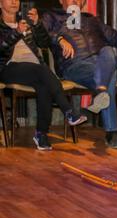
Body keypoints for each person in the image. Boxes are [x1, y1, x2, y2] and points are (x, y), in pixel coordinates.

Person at [41, 0, 117, 149]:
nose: (75, 0)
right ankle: (112, 132)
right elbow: (43, 34)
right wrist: (59, 39)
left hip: (99, 63)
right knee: (109, 74)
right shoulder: (52, 17)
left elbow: (115, 35)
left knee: (108, 51)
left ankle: (100, 91)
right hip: (74, 65)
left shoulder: (92, 20)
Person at [0, 0, 87, 151]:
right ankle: (68, 110)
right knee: (42, 71)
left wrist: (37, 24)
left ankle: (41, 134)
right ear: (0, 4)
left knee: (43, 85)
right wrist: (16, 33)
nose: (14, 1)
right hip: (8, 69)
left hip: (34, 70)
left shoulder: (25, 21)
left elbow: (44, 43)